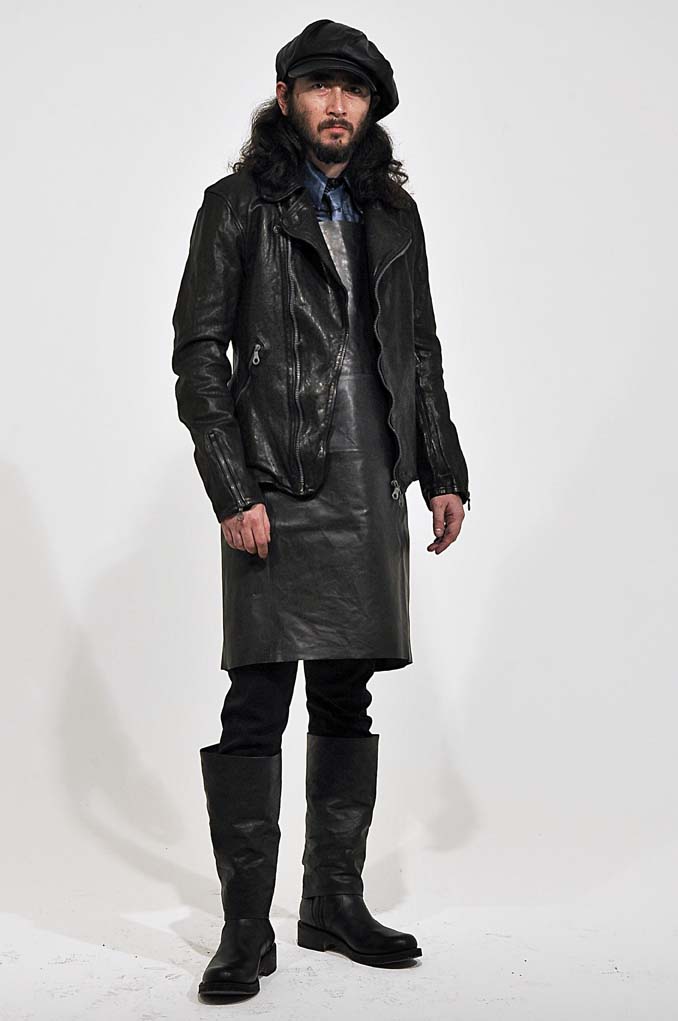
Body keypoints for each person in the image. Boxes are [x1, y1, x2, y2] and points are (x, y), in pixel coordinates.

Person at [171, 18, 470, 1001]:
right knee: (256, 700)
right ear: (286, 98)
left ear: (371, 107)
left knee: (347, 696)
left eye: (354, 90)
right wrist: (232, 487)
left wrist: (442, 469)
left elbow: (418, 351)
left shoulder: (394, 214)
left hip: (369, 482)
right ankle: (244, 929)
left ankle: (333, 902)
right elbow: (199, 355)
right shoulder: (236, 207)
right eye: (319, 86)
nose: (337, 104)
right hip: (274, 481)